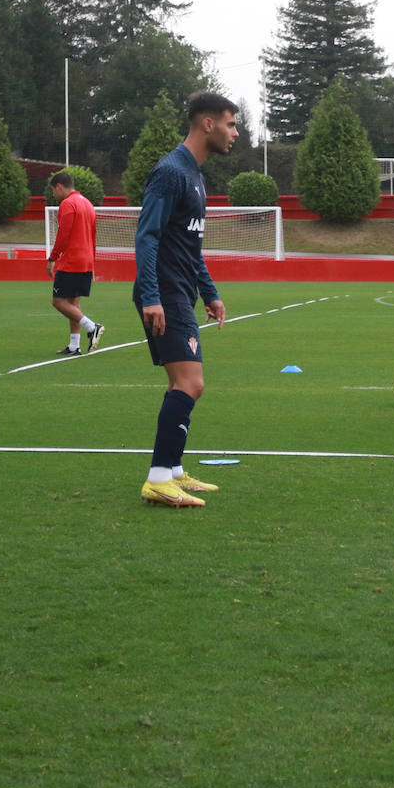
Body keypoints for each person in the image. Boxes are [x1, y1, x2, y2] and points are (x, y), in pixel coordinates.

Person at [133, 92, 239, 508]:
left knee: (183, 383)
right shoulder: (170, 172)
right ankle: (158, 477)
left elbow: (190, 247)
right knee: (191, 384)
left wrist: (209, 293)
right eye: (230, 124)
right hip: (164, 293)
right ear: (207, 124)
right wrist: (151, 296)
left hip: (180, 291)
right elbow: (147, 236)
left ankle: (174, 471)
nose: (235, 133)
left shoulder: (195, 175)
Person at [46, 170, 104, 355]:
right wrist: (92, 263)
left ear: (60, 186)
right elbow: (94, 237)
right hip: (85, 260)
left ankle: (92, 326)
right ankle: (74, 345)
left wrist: (52, 258)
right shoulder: (87, 204)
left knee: (58, 301)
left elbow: (64, 235)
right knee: (73, 301)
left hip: (71, 260)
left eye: (54, 190)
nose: (54, 195)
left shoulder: (68, 203)